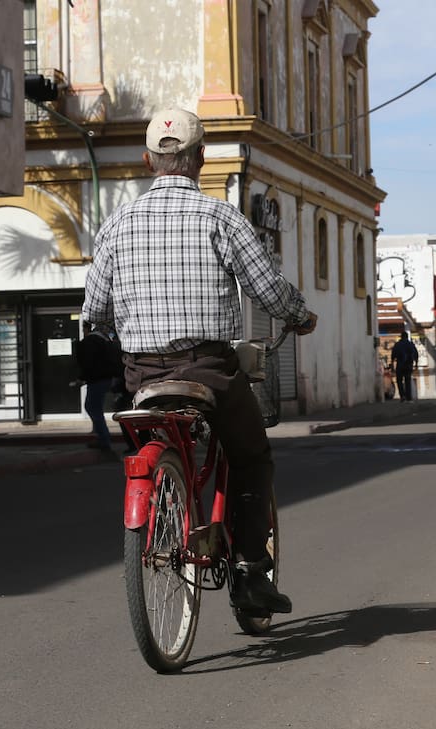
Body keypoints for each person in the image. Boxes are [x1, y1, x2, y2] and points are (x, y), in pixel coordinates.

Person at [81, 108, 317, 615]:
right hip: (210, 369)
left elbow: (95, 310)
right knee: (252, 459)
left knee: (165, 438)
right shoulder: (220, 217)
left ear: (148, 161)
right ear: (201, 159)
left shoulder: (117, 224)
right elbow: (267, 290)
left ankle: (170, 497)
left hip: (142, 375)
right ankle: (252, 572)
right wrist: (299, 315)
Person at [75, 321, 123, 452]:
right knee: (94, 407)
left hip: (97, 379)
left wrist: (81, 378)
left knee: (92, 407)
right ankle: (100, 435)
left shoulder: (90, 342)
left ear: (87, 328)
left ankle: (103, 438)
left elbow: (88, 363)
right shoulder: (105, 341)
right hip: (106, 378)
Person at [390, 330, 419, 402]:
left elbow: (393, 355)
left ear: (401, 337)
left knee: (399, 381)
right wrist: (416, 365)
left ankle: (402, 396)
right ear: (407, 337)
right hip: (409, 365)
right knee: (407, 381)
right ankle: (409, 397)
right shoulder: (410, 344)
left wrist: (392, 366)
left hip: (400, 365)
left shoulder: (397, 345)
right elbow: (416, 354)